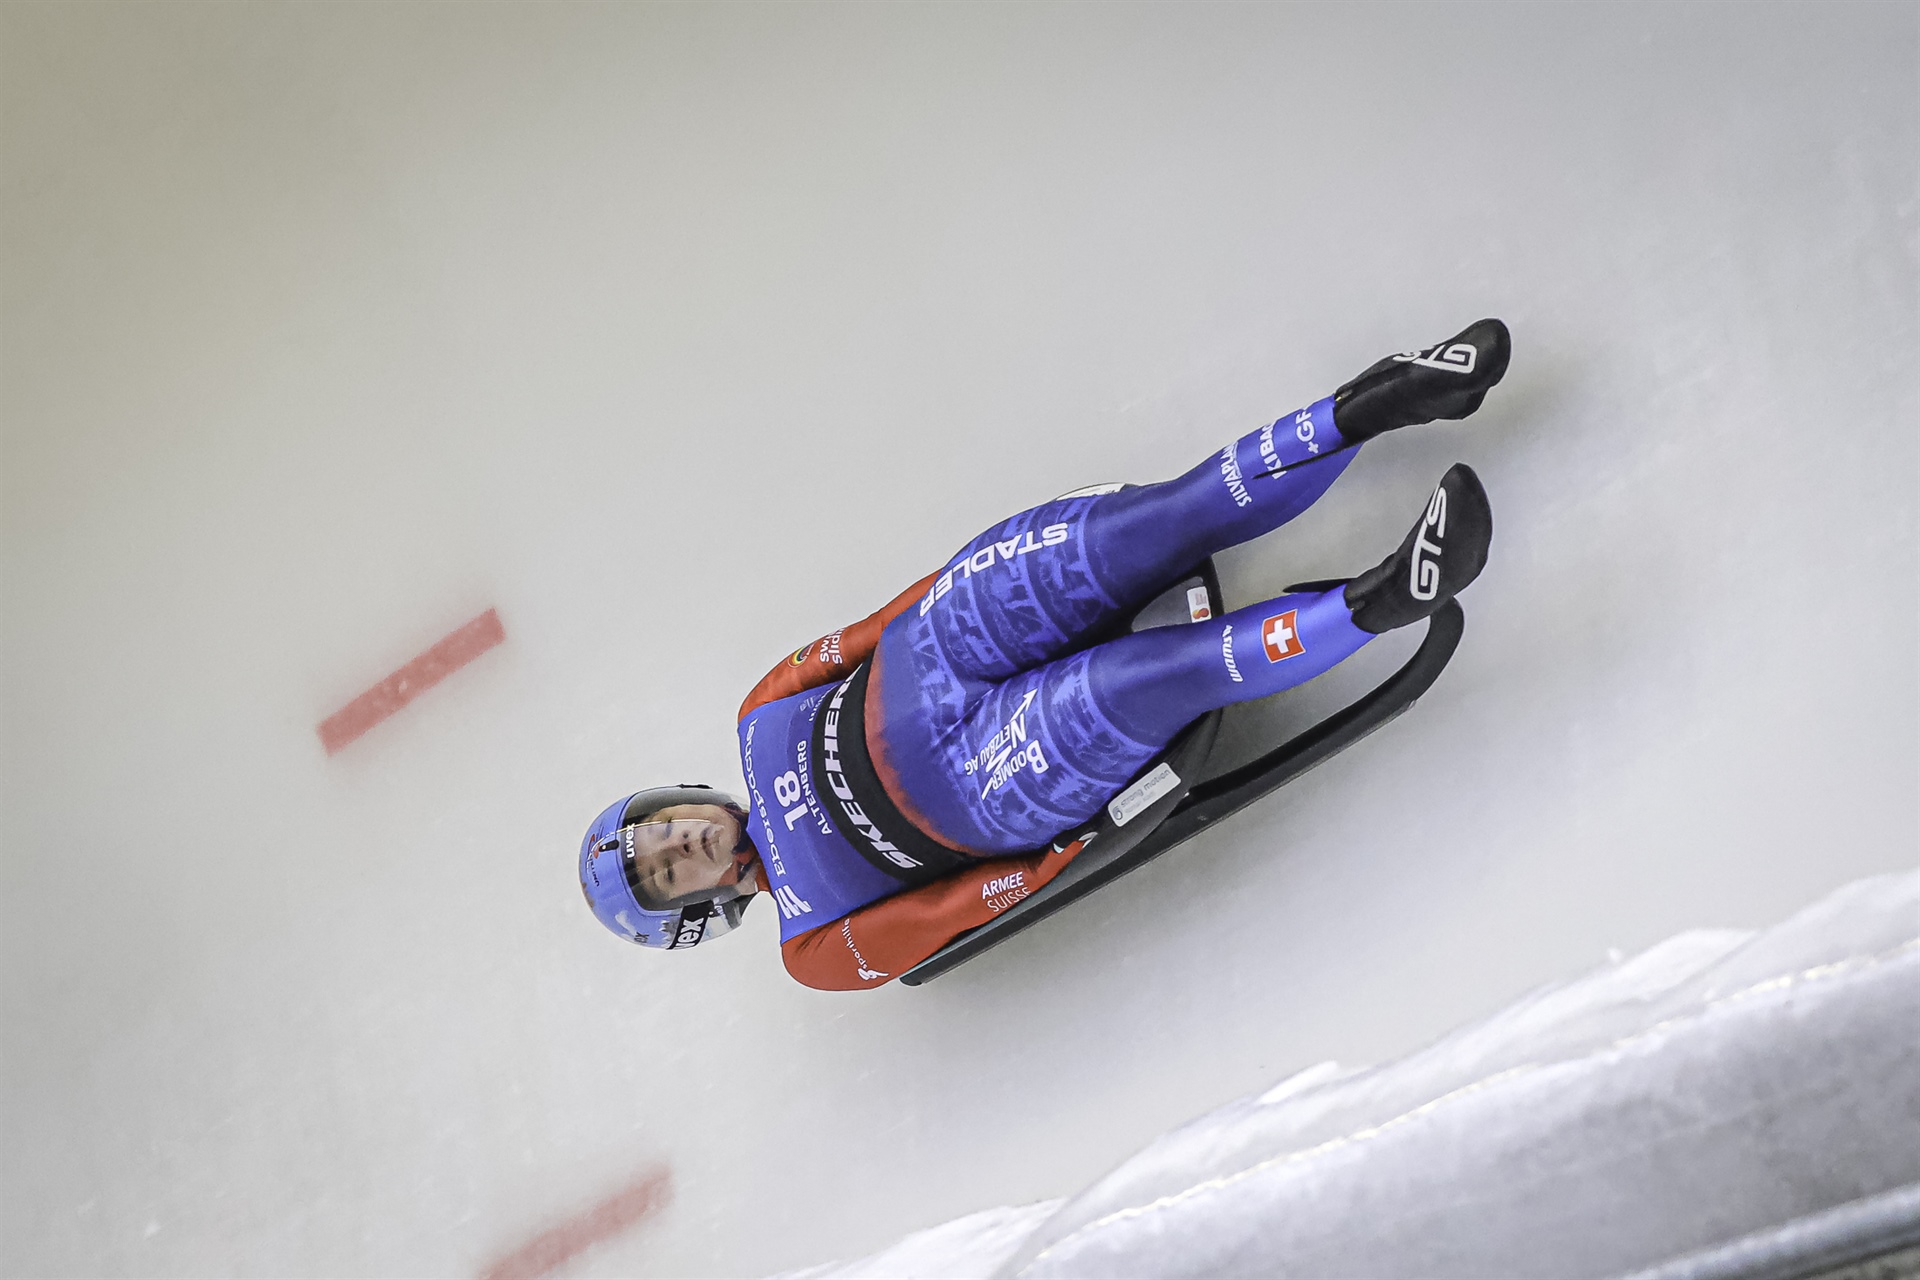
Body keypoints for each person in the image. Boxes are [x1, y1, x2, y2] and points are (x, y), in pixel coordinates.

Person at [580, 319, 1511, 988]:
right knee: (1144, 678)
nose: (683, 844)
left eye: (661, 830)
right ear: (696, 912)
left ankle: (1386, 399)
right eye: (669, 873)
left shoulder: (758, 714)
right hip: (981, 787)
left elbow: (878, 624)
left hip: (940, 642)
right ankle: (1383, 598)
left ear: (675, 798)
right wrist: (1079, 845)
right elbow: (956, 911)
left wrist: (962, 583)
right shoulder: (811, 948)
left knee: (1157, 521)